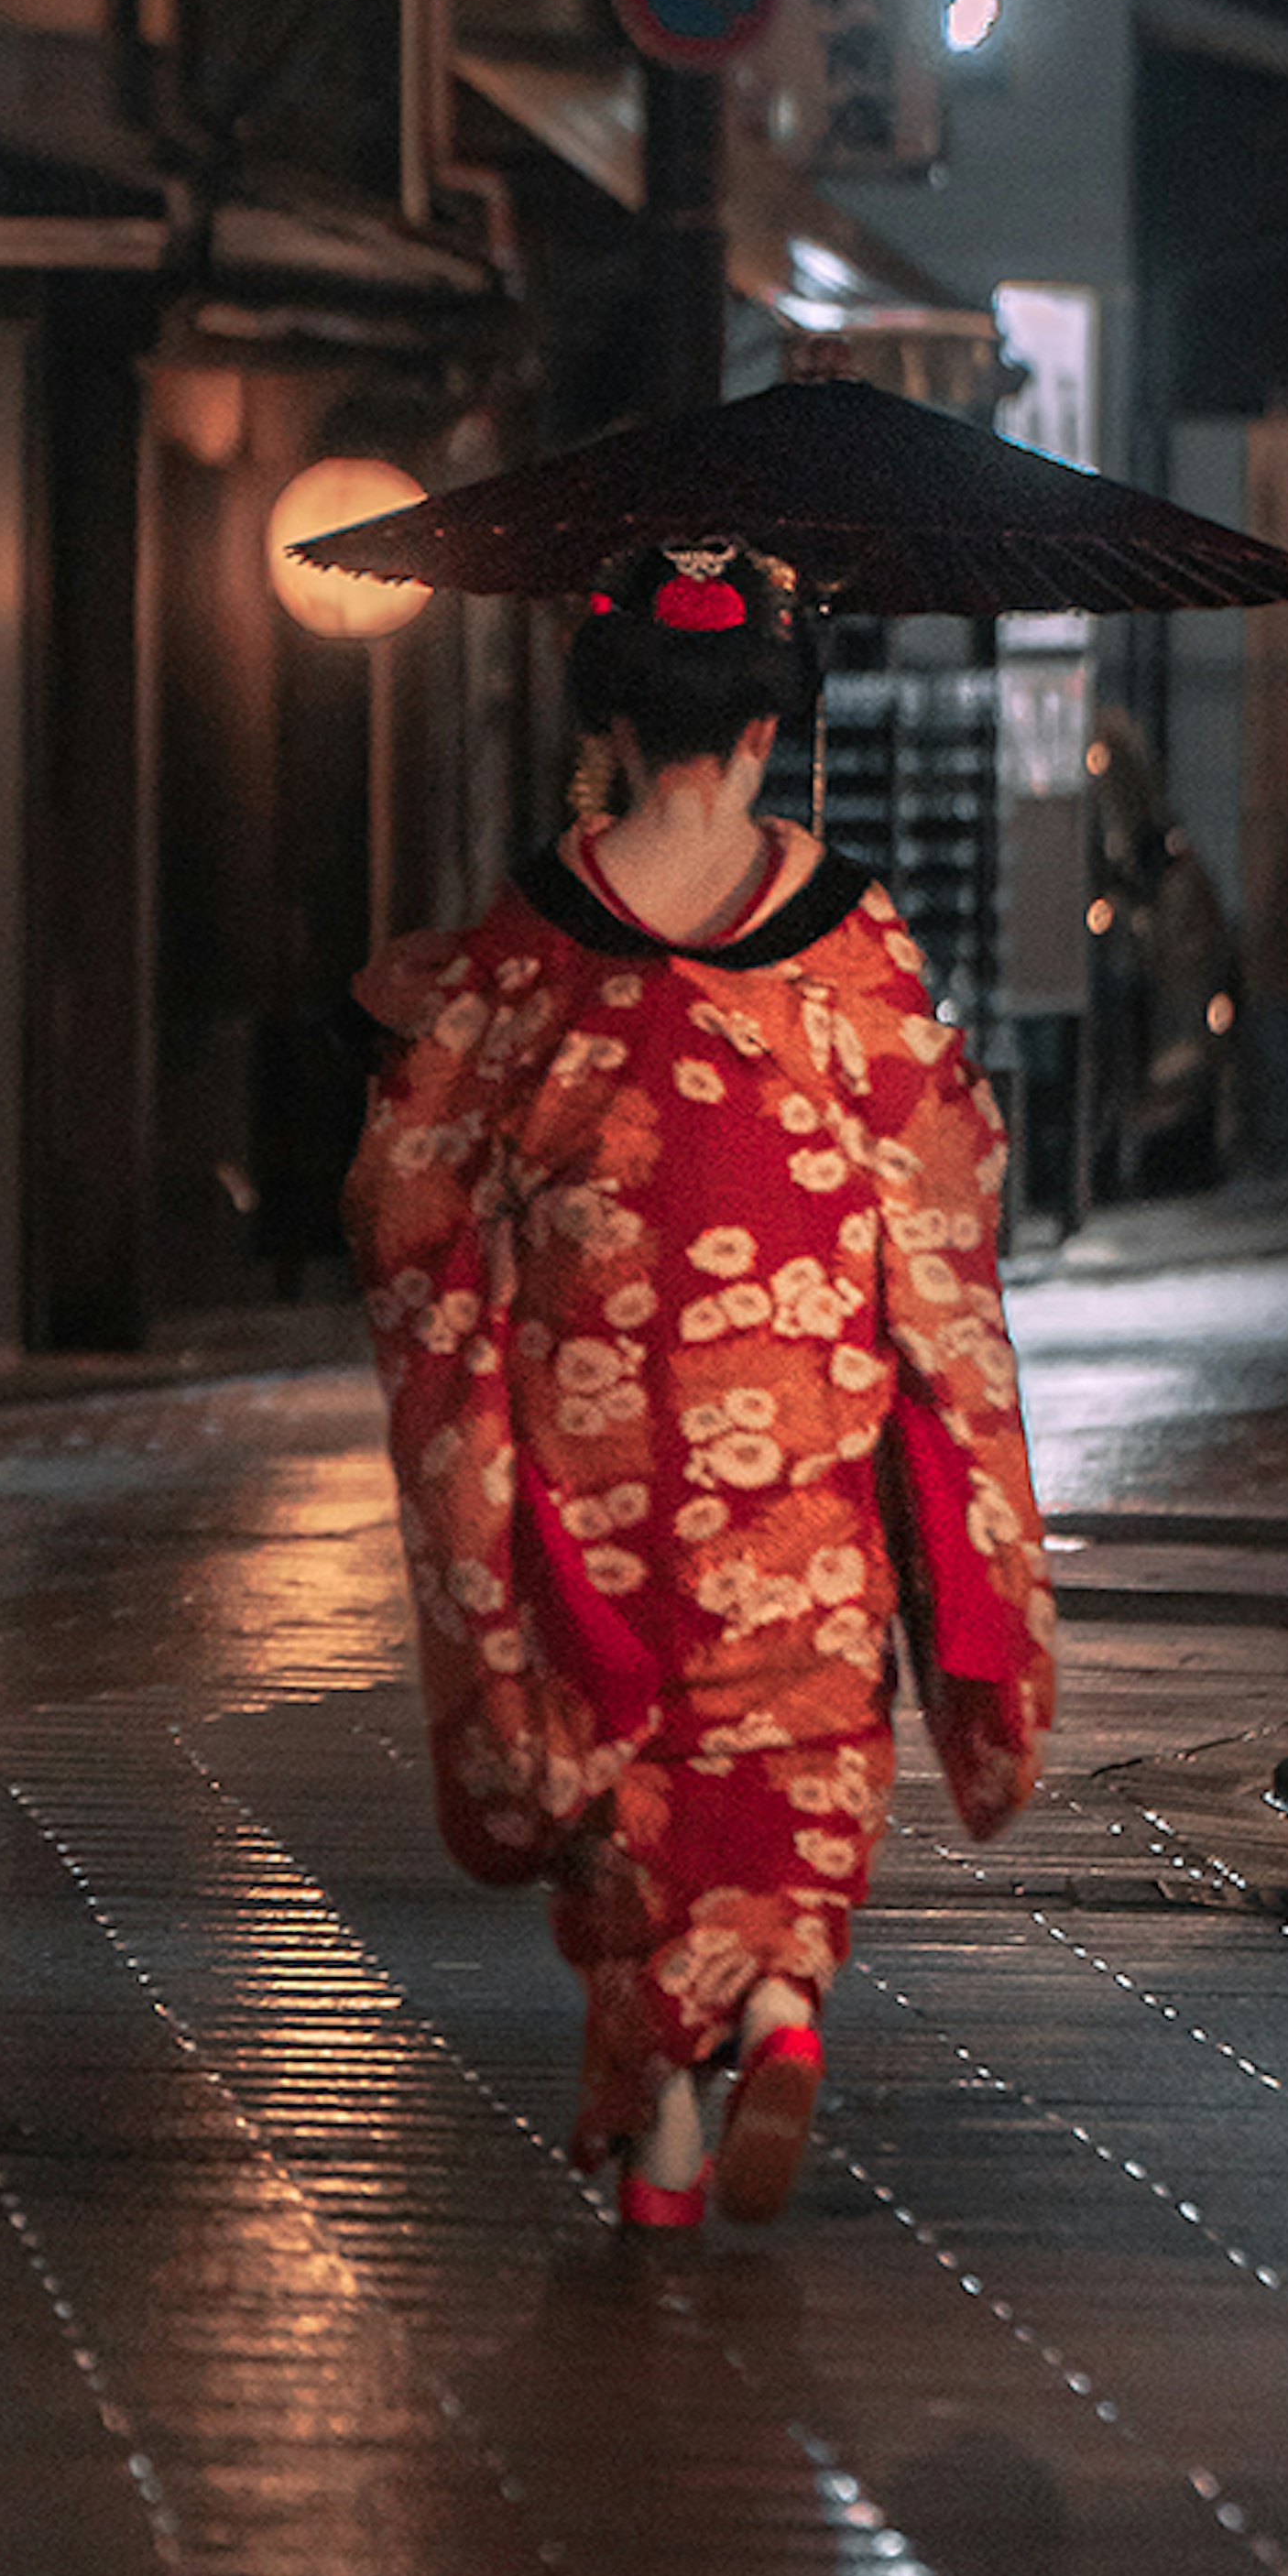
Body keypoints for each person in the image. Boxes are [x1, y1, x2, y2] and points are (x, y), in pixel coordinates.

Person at [344, 538, 1054, 2227]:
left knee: (624, 1769)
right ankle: (785, 2003)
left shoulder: (537, 940)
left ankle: (664, 2137)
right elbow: (948, 1172)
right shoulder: (846, 934)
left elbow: (408, 1202)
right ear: (767, 729)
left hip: (600, 1461)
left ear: (606, 718)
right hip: (796, 1453)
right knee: (798, 1749)